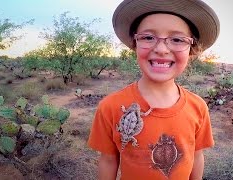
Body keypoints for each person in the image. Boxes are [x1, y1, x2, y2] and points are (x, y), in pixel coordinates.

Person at [88, 0, 220, 179]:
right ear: (135, 44)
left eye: (177, 39)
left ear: (192, 49)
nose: (161, 49)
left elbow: (196, 156)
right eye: (148, 37)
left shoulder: (198, 107)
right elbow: (108, 161)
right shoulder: (110, 106)